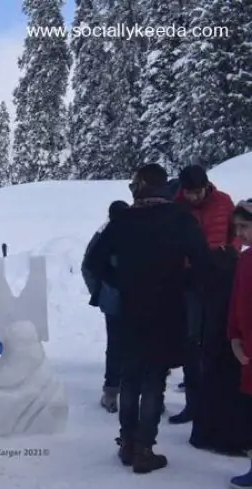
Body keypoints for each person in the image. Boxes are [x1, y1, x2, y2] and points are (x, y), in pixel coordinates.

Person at [84, 163, 209, 473]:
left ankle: (127, 442)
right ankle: (143, 449)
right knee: (154, 380)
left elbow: (96, 262)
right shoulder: (181, 219)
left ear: (140, 186)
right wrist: (182, 283)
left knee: (129, 377)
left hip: (129, 309)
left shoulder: (123, 220)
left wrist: (122, 280)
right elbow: (203, 263)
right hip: (167, 310)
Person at [170, 164, 238, 424]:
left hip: (220, 275)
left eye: (197, 192)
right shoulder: (176, 207)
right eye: (189, 193)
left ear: (207, 186)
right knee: (192, 341)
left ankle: (215, 404)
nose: (194, 197)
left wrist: (228, 252)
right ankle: (193, 403)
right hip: (189, 279)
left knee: (217, 339)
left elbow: (236, 233)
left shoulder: (223, 202)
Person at [82, 200, 129, 413]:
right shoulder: (140, 232)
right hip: (141, 298)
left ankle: (111, 393)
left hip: (112, 299)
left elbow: (88, 265)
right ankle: (151, 396)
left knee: (115, 346)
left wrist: (99, 292)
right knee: (142, 345)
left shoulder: (103, 234)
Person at [227, 200, 252, 489]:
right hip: (247, 350)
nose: (240, 234)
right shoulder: (245, 259)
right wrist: (234, 336)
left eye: (244, 227)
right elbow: (236, 301)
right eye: (237, 228)